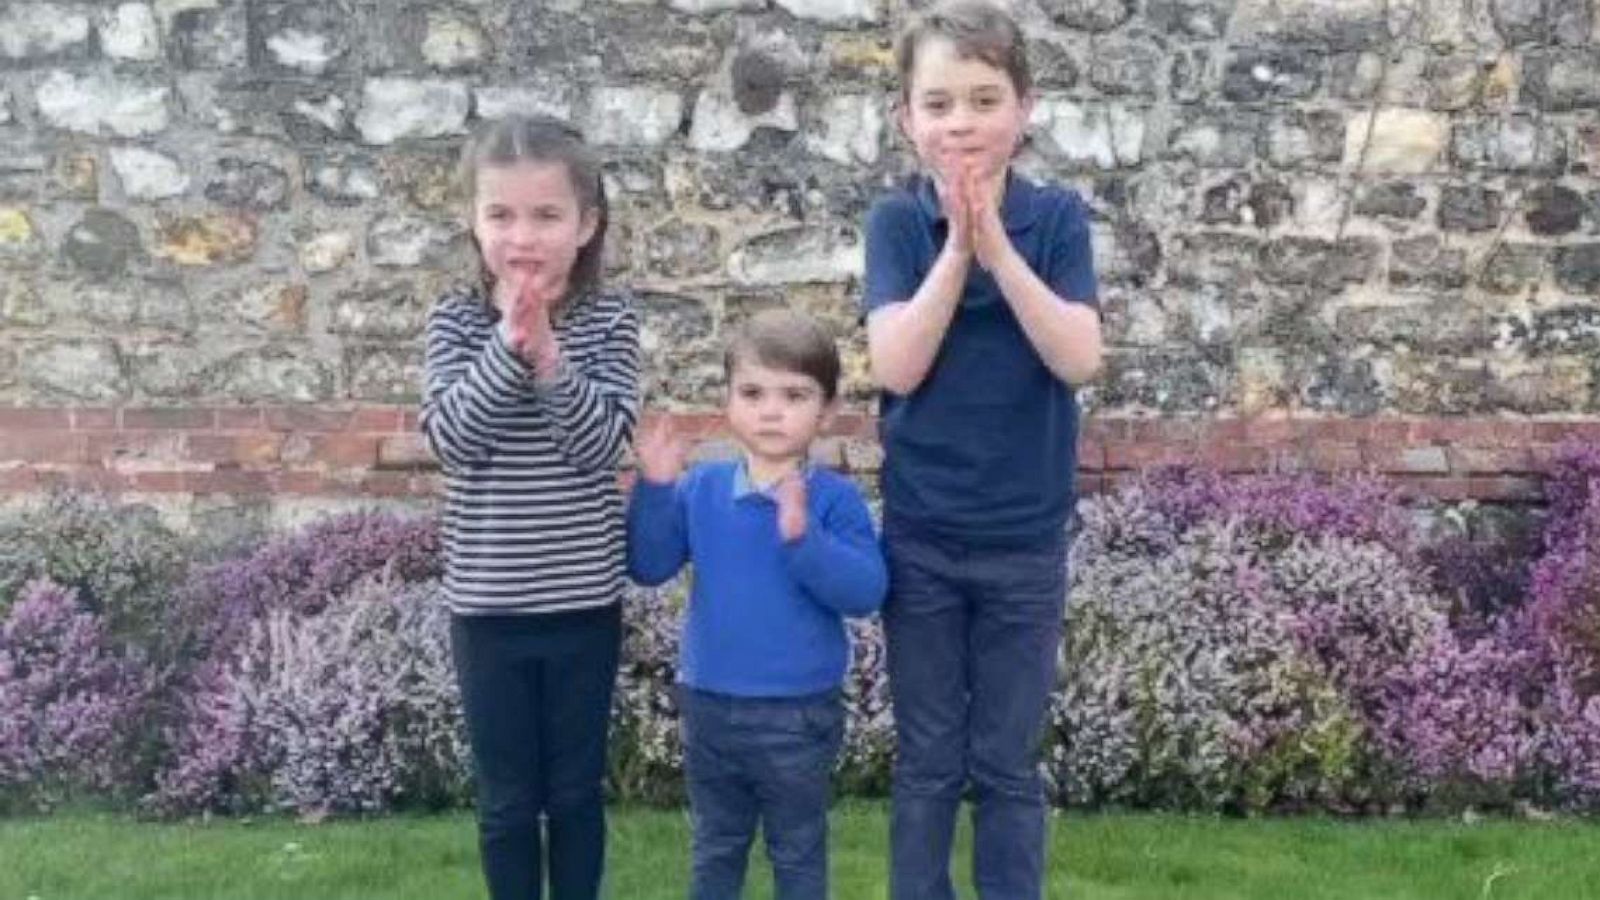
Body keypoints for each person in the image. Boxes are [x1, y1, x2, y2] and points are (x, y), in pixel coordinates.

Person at [860, 2, 1105, 898]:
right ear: (907, 120)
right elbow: (898, 363)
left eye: (983, 99)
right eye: (938, 103)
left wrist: (997, 247)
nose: (960, 122)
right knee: (927, 761)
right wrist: (955, 253)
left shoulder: (1058, 222)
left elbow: (1078, 356)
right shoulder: (894, 224)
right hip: (921, 537)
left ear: (1023, 109)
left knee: (1007, 763)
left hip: (1025, 541)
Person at [420, 114, 640, 900]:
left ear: (587, 225)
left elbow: (599, 444)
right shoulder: (454, 321)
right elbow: (453, 437)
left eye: (547, 215)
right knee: (508, 803)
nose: (524, 237)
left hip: (583, 605)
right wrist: (508, 345)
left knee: (575, 796)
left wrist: (549, 355)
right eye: (501, 214)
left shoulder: (611, 322)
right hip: (486, 611)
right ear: (472, 222)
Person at [627, 308, 888, 900]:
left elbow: (866, 593)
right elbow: (648, 565)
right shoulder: (702, 488)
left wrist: (803, 540)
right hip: (710, 705)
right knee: (716, 847)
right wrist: (657, 487)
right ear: (727, 402)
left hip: (797, 714)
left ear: (825, 412)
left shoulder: (833, 499)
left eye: (794, 395)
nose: (771, 410)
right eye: (753, 392)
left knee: (796, 851)